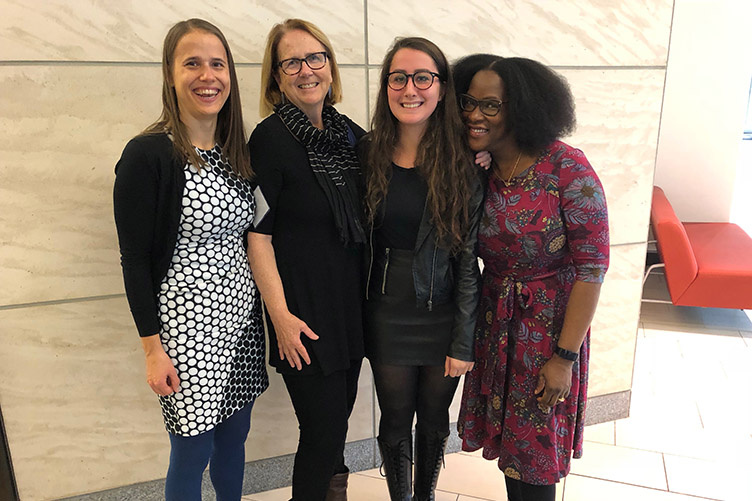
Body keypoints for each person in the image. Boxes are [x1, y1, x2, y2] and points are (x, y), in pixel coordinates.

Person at [113, 19, 268, 501]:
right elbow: (135, 261)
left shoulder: (236, 152)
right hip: (186, 334)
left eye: (217, 64)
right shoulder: (148, 155)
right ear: (170, 73)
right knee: (191, 452)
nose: (208, 75)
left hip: (241, 322)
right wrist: (152, 350)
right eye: (193, 63)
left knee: (234, 441)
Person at [453, 54, 610, 501]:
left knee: (537, 457)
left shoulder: (568, 169)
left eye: (491, 105)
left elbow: (592, 268)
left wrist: (564, 356)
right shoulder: (484, 167)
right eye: (469, 101)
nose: (474, 114)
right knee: (514, 453)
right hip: (497, 327)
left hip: (547, 334)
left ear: (522, 109)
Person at [359, 37, 483, 501]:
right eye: (398, 77)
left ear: (441, 87)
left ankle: (425, 495)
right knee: (394, 418)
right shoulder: (366, 153)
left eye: (422, 77)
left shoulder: (465, 162)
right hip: (386, 310)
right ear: (386, 87)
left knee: (433, 418)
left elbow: (469, 262)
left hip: (443, 311)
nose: (410, 88)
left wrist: (463, 338)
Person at [246, 19, 366, 501]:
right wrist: (280, 317)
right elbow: (258, 236)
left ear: (330, 67)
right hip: (302, 311)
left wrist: (477, 156)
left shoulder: (349, 136)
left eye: (315, 58)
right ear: (276, 77)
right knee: (320, 433)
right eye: (291, 62)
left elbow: (408, 160)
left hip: (350, 307)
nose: (306, 70)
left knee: (335, 429)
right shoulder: (269, 141)